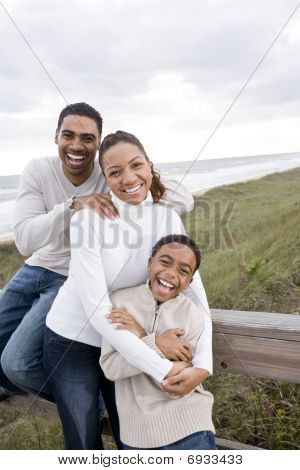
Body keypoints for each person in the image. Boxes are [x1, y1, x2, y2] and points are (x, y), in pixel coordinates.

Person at [0, 103, 193, 405]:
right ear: (56, 137)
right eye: (69, 135)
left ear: (99, 144)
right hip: (33, 267)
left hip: (68, 278)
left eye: (88, 138)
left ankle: (90, 402)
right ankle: (13, 387)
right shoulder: (38, 169)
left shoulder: (109, 175)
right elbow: (24, 240)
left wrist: (142, 175)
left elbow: (185, 200)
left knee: (17, 363)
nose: (77, 146)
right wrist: (74, 204)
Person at [43, 130, 213, 450]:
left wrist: (203, 364)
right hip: (73, 340)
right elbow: (96, 309)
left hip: (125, 343)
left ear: (149, 166)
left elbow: (194, 292)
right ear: (105, 179)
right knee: (84, 440)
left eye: (136, 165)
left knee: (130, 436)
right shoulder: (88, 221)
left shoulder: (166, 216)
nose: (129, 177)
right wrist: (163, 368)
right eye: (115, 172)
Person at [100, 234, 216, 450]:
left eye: (183, 271)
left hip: (190, 422)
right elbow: (111, 367)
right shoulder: (120, 303)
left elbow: (178, 377)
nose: (171, 273)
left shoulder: (192, 315)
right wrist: (158, 344)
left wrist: (142, 335)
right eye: (165, 262)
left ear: (189, 282)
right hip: (137, 430)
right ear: (149, 263)